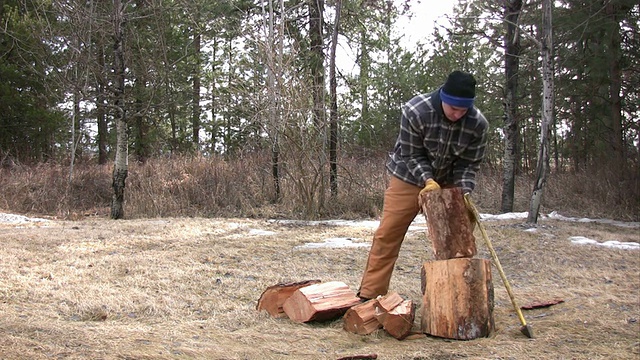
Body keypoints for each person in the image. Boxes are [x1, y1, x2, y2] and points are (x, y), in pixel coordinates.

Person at [357, 70, 489, 301]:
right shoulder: (415, 110)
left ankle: (456, 301)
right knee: (388, 233)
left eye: (463, 110)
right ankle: (370, 295)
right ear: (443, 99)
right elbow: (411, 154)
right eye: (453, 108)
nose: (458, 114)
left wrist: (464, 192)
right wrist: (427, 180)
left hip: (449, 180)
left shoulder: (478, 124)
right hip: (408, 176)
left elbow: (468, 165)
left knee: (457, 240)